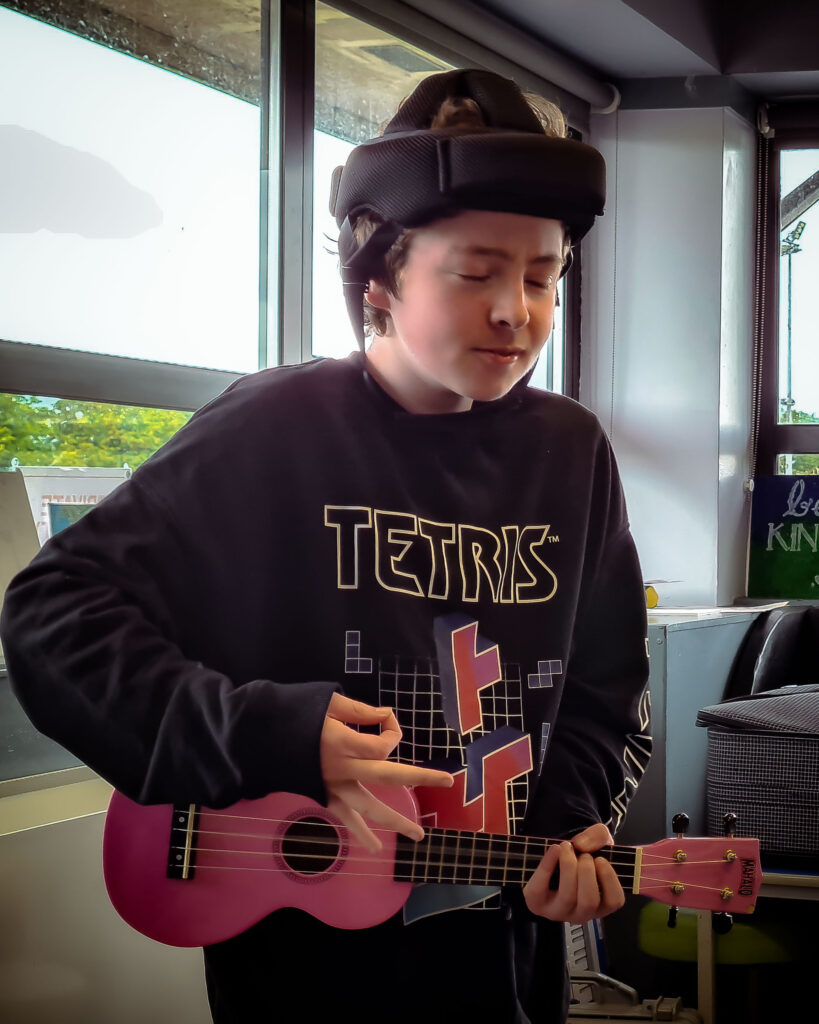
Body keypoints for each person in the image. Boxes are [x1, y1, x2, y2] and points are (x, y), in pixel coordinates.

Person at [0, 69, 651, 1023]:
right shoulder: (277, 426)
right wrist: (268, 732)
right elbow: (54, 617)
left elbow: (606, 685)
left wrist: (568, 827)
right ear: (379, 275)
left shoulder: (572, 451)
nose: (516, 310)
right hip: (300, 951)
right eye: (474, 273)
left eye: (542, 276)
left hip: (501, 949)